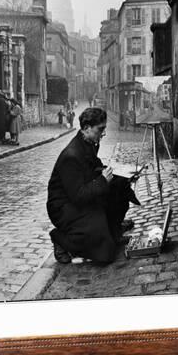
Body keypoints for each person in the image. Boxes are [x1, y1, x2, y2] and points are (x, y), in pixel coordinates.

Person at [47, 107, 139, 264]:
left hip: (81, 198)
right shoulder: (71, 156)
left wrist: (124, 176)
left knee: (120, 187)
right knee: (105, 254)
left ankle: (113, 233)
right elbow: (78, 196)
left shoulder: (89, 142)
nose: (103, 133)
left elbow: (94, 168)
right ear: (86, 128)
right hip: (64, 208)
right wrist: (103, 180)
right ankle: (60, 238)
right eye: (100, 129)